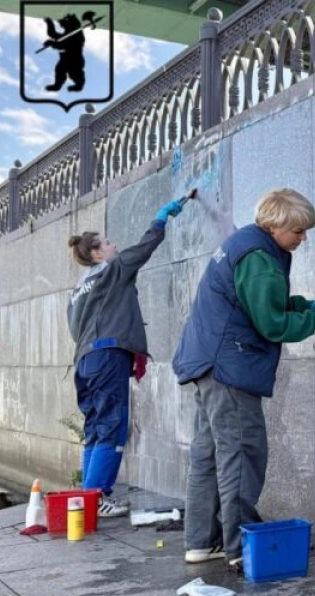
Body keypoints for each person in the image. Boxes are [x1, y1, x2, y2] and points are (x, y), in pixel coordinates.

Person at [171, 189, 315, 568]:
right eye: (298, 231)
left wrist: (310, 305)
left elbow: (260, 303)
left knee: (208, 456)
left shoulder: (248, 245)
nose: (303, 238)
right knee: (242, 453)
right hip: (229, 367)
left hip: (207, 362)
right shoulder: (258, 257)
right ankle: (242, 549)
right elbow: (270, 323)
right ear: (274, 226)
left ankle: (202, 542)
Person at [66, 198, 187, 518]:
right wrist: (160, 219)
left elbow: (73, 328)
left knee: (95, 427)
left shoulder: (78, 288)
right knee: (111, 426)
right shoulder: (111, 270)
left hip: (85, 361)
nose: (113, 244)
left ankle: (87, 498)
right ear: (96, 253)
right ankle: (96, 497)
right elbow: (143, 249)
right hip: (107, 357)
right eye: (107, 242)